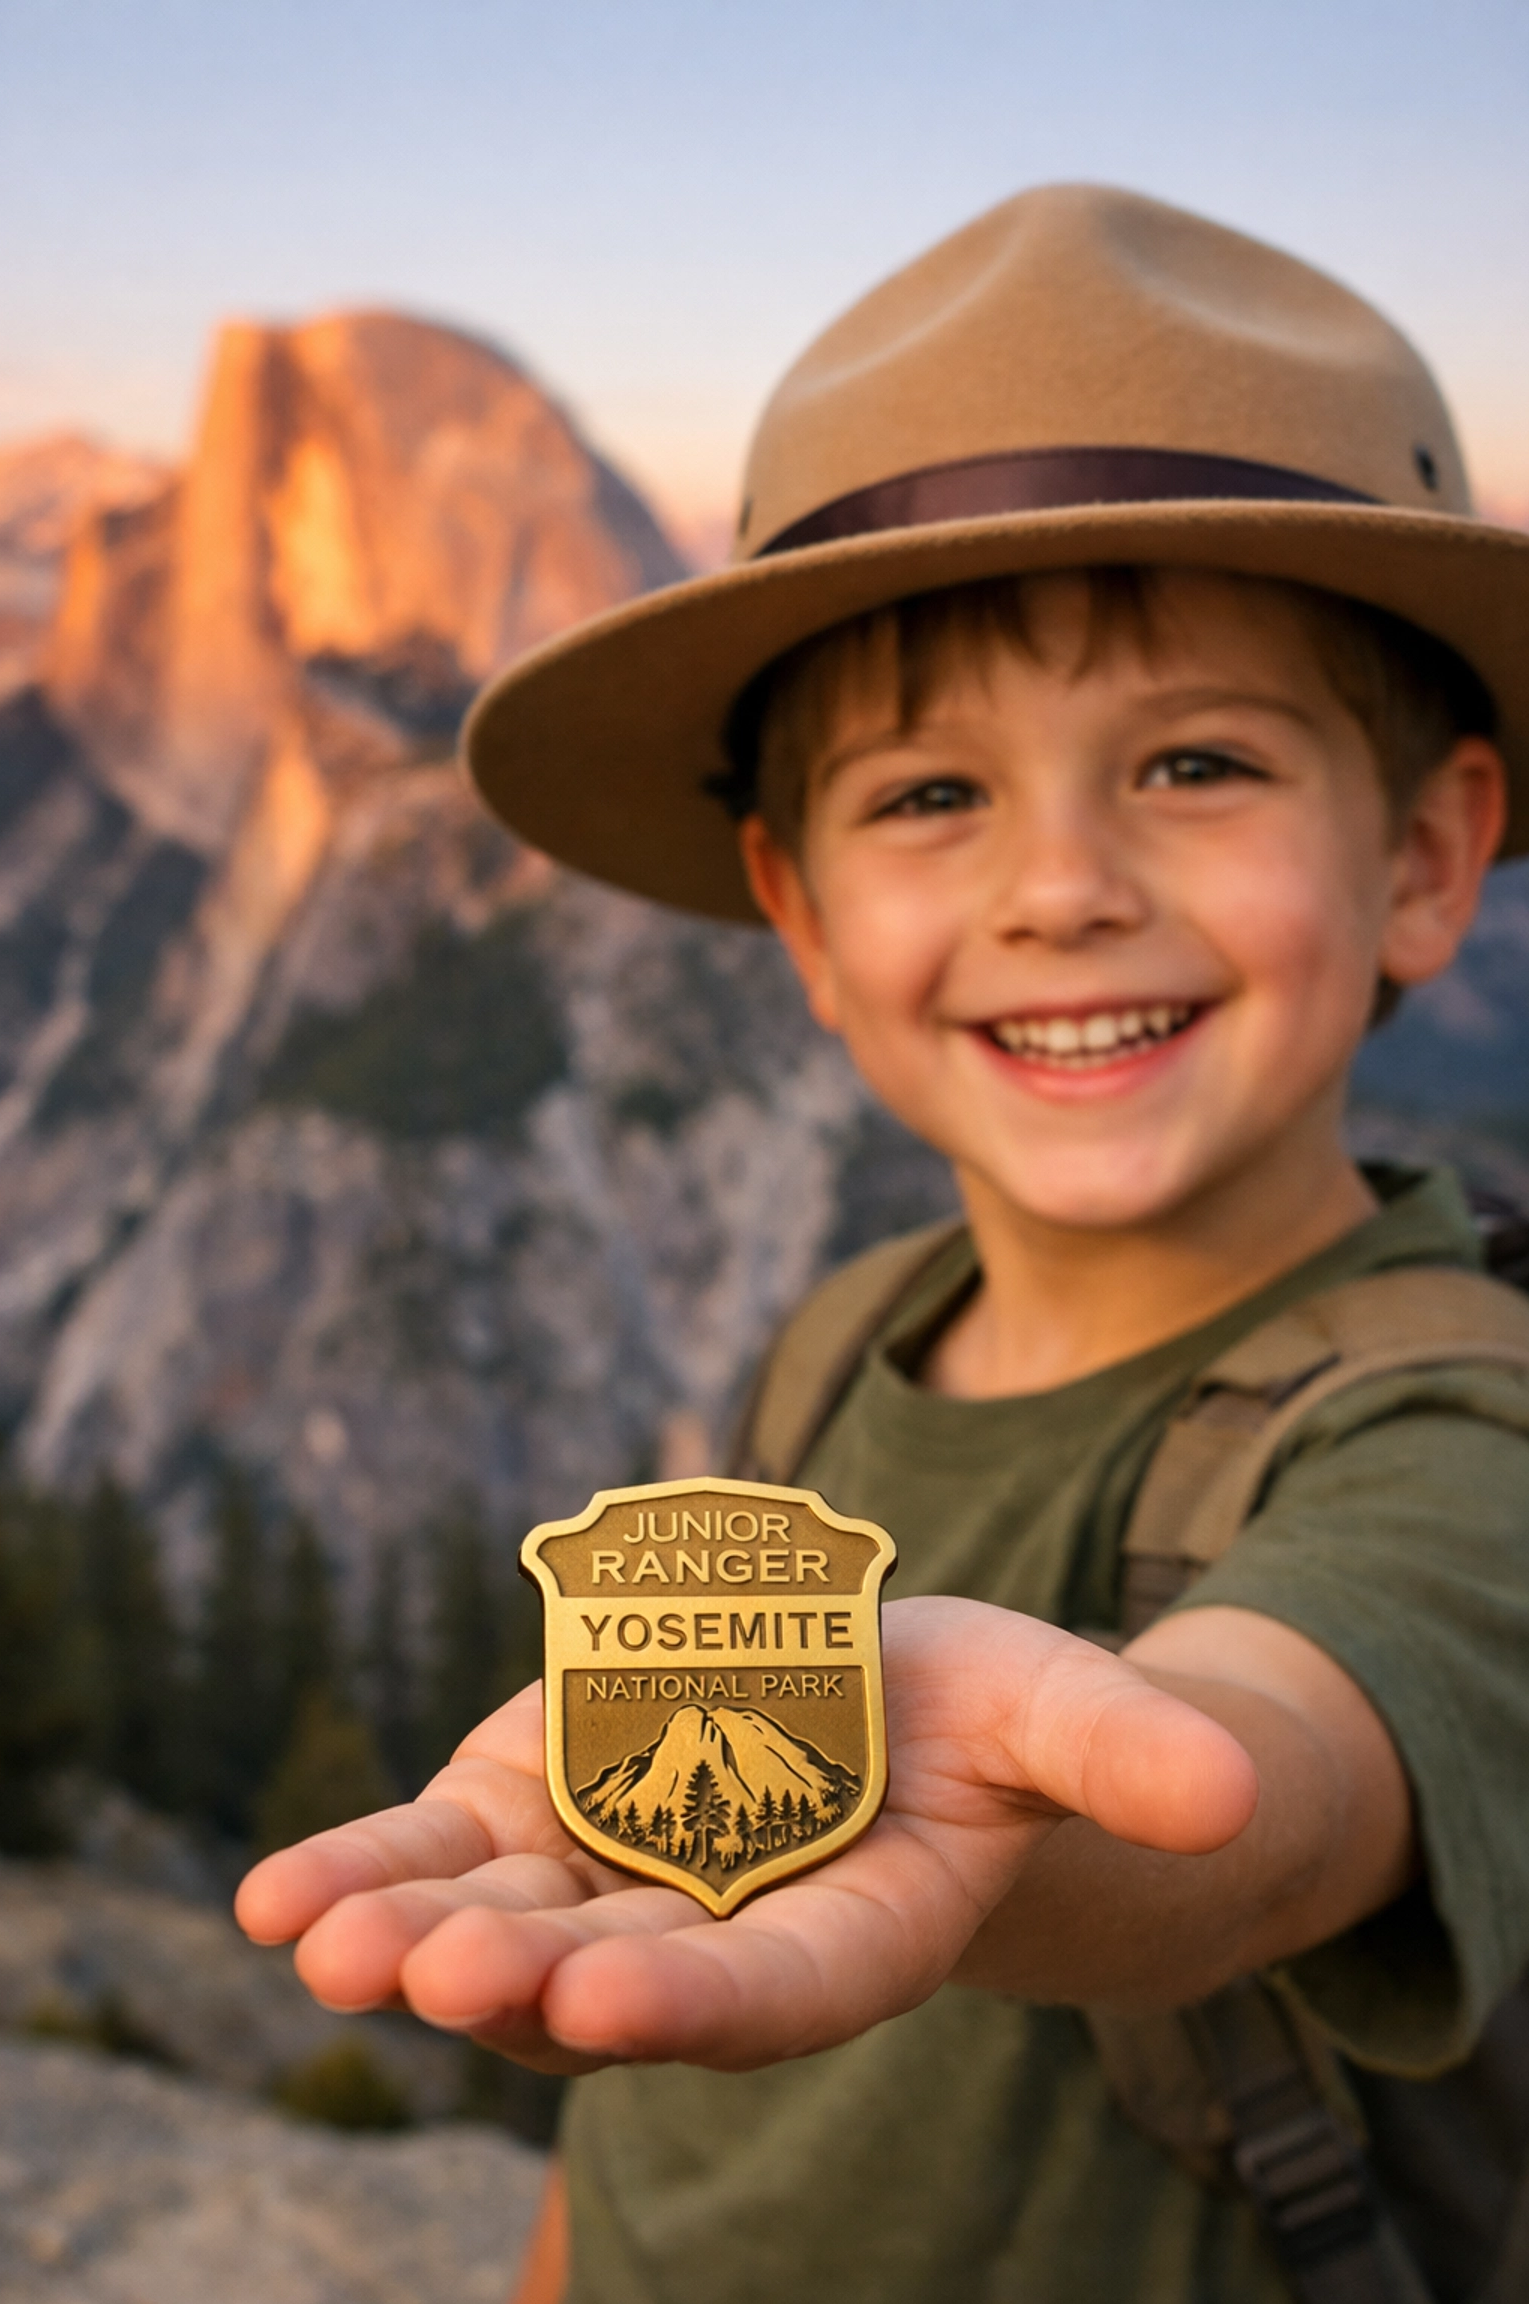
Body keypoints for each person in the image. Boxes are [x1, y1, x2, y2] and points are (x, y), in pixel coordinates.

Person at [236, 186, 1529, 2304]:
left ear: (1426, 855)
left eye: (1196, 764)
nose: (1061, 889)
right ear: (806, 915)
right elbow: (650, 2056)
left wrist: (1030, 1814)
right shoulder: (840, 1340)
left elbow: (1265, 1780)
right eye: (935, 798)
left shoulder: (1465, 1437)